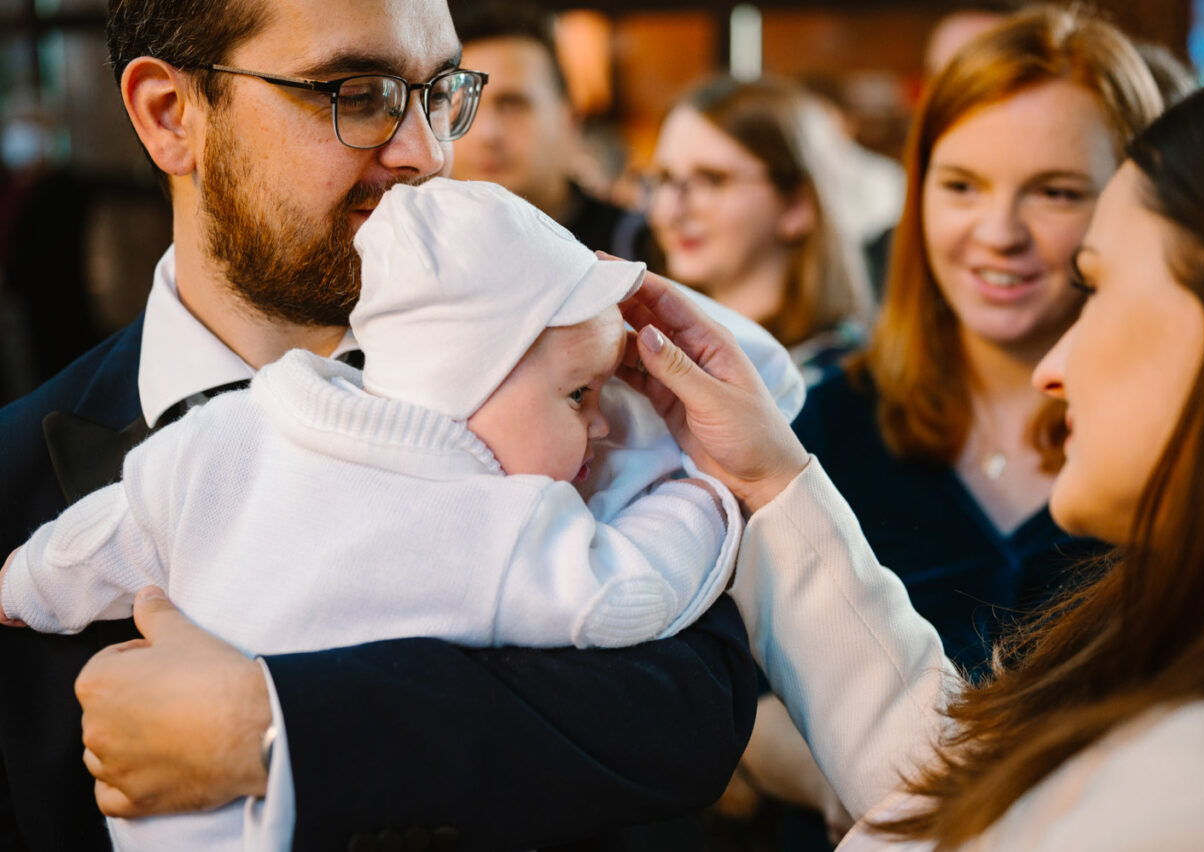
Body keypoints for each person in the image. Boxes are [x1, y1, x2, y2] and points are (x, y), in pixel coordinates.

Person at [0, 1, 799, 849]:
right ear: (171, 116)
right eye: (358, 90)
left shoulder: (564, 376)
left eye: (439, 91)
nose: (429, 154)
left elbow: (693, 713)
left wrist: (280, 729)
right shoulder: (15, 482)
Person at [621, 62, 1204, 848]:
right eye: (960, 184)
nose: (1054, 371)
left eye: (1100, 287)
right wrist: (770, 477)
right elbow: (958, 790)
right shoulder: (1199, 642)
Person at [740, 7, 1163, 847]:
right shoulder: (821, 422)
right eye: (961, 185)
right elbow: (728, 693)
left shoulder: (1173, 451)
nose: (997, 234)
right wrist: (828, 770)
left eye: (1055, 192)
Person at [647, 74, 874, 386]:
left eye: (712, 179)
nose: (669, 211)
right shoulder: (650, 353)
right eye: (664, 178)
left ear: (797, 204)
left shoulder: (843, 381)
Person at [449, 0, 662, 266]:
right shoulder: (422, 251)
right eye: (464, 105)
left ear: (570, 122)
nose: (487, 133)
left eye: (513, 106)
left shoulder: (640, 251)